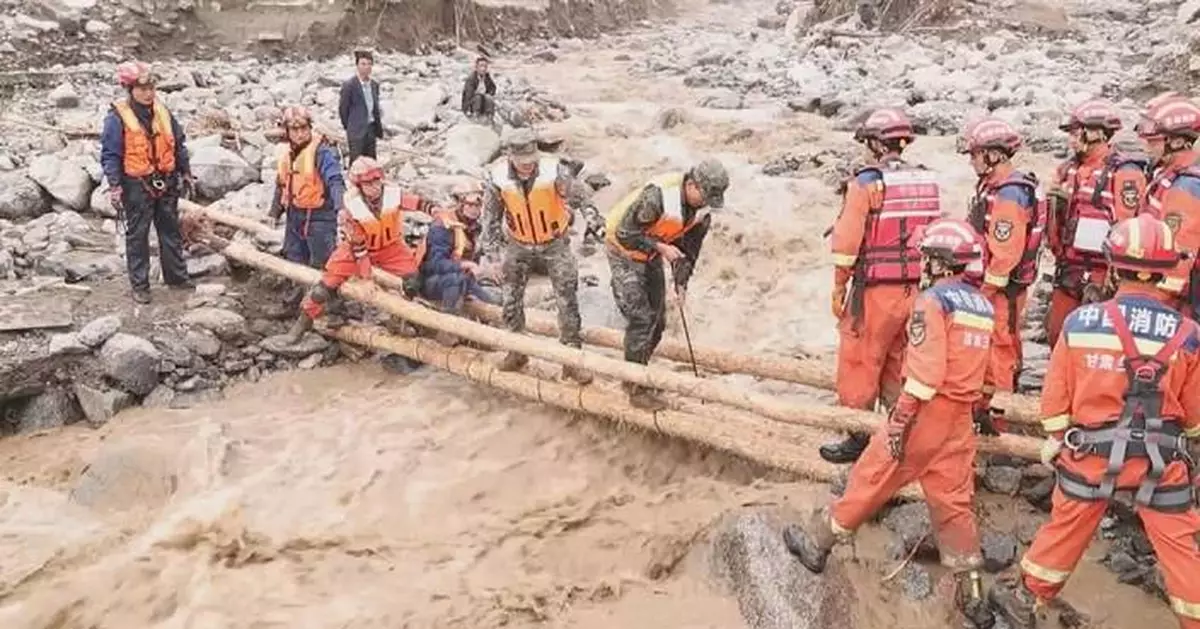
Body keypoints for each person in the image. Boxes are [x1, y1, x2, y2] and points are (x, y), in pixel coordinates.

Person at [782, 218, 996, 629]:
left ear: (940, 262)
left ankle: (817, 544)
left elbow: (926, 376)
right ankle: (972, 597)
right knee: (954, 503)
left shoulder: (932, 302)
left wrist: (899, 422)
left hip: (925, 416)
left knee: (872, 476)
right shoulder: (982, 306)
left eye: (928, 258)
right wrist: (979, 408)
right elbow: (990, 374)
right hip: (960, 421)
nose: (923, 264)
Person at [990, 214, 1200, 629]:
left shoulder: (1080, 323)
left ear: (1114, 267)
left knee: (1066, 529)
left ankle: (1029, 595)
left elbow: (1055, 402)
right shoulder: (1189, 334)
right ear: (1165, 271)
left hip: (1091, 455)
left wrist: (1056, 438)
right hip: (1162, 460)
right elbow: (1193, 417)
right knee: (1180, 547)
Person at [819, 108, 943, 464]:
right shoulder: (926, 180)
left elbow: (847, 242)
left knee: (860, 359)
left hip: (875, 293)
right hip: (916, 291)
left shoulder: (866, 182)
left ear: (875, 144)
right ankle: (900, 431)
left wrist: (839, 286)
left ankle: (858, 436)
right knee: (899, 360)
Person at [604, 159, 730, 410]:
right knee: (641, 319)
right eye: (704, 197)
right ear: (692, 184)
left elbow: (689, 251)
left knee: (658, 322)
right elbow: (625, 234)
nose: (705, 203)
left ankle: (636, 372)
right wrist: (661, 247)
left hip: (651, 254)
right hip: (622, 251)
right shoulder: (658, 198)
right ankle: (636, 388)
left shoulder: (702, 212)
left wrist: (681, 283)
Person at [481, 127, 597, 384]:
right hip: (518, 244)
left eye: (531, 160)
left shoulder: (554, 171)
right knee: (510, 300)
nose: (527, 165)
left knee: (567, 300)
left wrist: (592, 218)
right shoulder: (497, 178)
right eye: (522, 161)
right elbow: (490, 220)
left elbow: (580, 197)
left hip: (555, 244)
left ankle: (571, 361)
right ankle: (516, 352)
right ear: (510, 156)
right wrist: (493, 257)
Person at [284, 156, 433, 342]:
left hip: (390, 247)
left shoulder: (392, 194)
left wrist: (438, 212)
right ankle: (300, 326)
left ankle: (398, 320)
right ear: (359, 185)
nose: (374, 186)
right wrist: (366, 279)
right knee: (323, 289)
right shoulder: (350, 208)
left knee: (413, 281)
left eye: (376, 181)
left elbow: (419, 203)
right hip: (354, 251)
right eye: (368, 183)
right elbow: (359, 249)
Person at [960, 116, 1047, 432]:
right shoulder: (994, 187)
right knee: (993, 348)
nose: (971, 161)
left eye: (975, 154)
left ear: (993, 155)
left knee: (1000, 351)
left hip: (1001, 291)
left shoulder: (1010, 195)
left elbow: (1004, 256)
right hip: (993, 289)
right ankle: (985, 411)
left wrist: (981, 294)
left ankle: (1000, 421)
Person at [1045, 99, 1148, 346]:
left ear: (1095, 133)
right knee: (1058, 334)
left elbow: (1128, 225)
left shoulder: (1125, 172)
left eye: (1075, 132)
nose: (1071, 139)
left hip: (1103, 271)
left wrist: (1117, 271)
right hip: (1069, 267)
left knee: (1099, 338)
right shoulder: (1067, 170)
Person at [99, 60, 195, 304]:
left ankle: (177, 278)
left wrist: (185, 171)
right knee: (138, 235)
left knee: (170, 231)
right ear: (130, 89)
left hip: (166, 180)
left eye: (151, 88)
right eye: (142, 89)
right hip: (136, 184)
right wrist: (115, 185)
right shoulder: (117, 118)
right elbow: (111, 155)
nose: (148, 93)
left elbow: (178, 144)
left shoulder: (163, 113)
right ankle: (140, 285)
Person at [1138, 94, 1200, 318]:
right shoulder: (1170, 175)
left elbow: (1178, 257)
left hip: (1180, 301)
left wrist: (1152, 305)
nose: (1146, 146)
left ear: (1176, 142)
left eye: (1154, 141)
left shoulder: (1186, 186)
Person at [270, 106, 346, 275]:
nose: (300, 134)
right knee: (293, 259)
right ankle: (296, 291)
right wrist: (274, 213)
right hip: (294, 215)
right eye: (294, 130)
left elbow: (335, 180)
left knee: (323, 263)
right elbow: (281, 184)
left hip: (320, 217)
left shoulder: (322, 152)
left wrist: (341, 207)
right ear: (287, 132)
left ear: (310, 128)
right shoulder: (287, 154)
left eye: (304, 129)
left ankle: (326, 291)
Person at [420, 179, 500, 315]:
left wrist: (489, 268)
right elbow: (433, 265)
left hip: (464, 279)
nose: (475, 210)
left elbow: (477, 257)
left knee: (493, 303)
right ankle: (448, 320)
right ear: (460, 204)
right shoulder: (442, 227)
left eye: (478, 206)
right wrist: (464, 265)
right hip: (434, 281)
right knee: (454, 280)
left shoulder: (473, 227)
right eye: (470, 205)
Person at [339, 50, 383, 163]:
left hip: (371, 129)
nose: (366, 67)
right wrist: (350, 126)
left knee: (371, 162)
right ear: (357, 65)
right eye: (363, 64)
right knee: (356, 162)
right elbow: (343, 109)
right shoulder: (349, 86)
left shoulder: (374, 85)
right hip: (356, 131)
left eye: (369, 64)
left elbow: (375, 107)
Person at [461, 56, 496, 121]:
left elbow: (493, 88)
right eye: (481, 66)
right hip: (472, 104)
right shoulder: (471, 79)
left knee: (489, 97)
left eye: (485, 66)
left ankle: (489, 117)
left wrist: (488, 94)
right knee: (478, 97)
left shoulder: (487, 77)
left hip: (483, 101)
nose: (483, 69)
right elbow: (469, 95)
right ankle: (475, 116)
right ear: (476, 67)